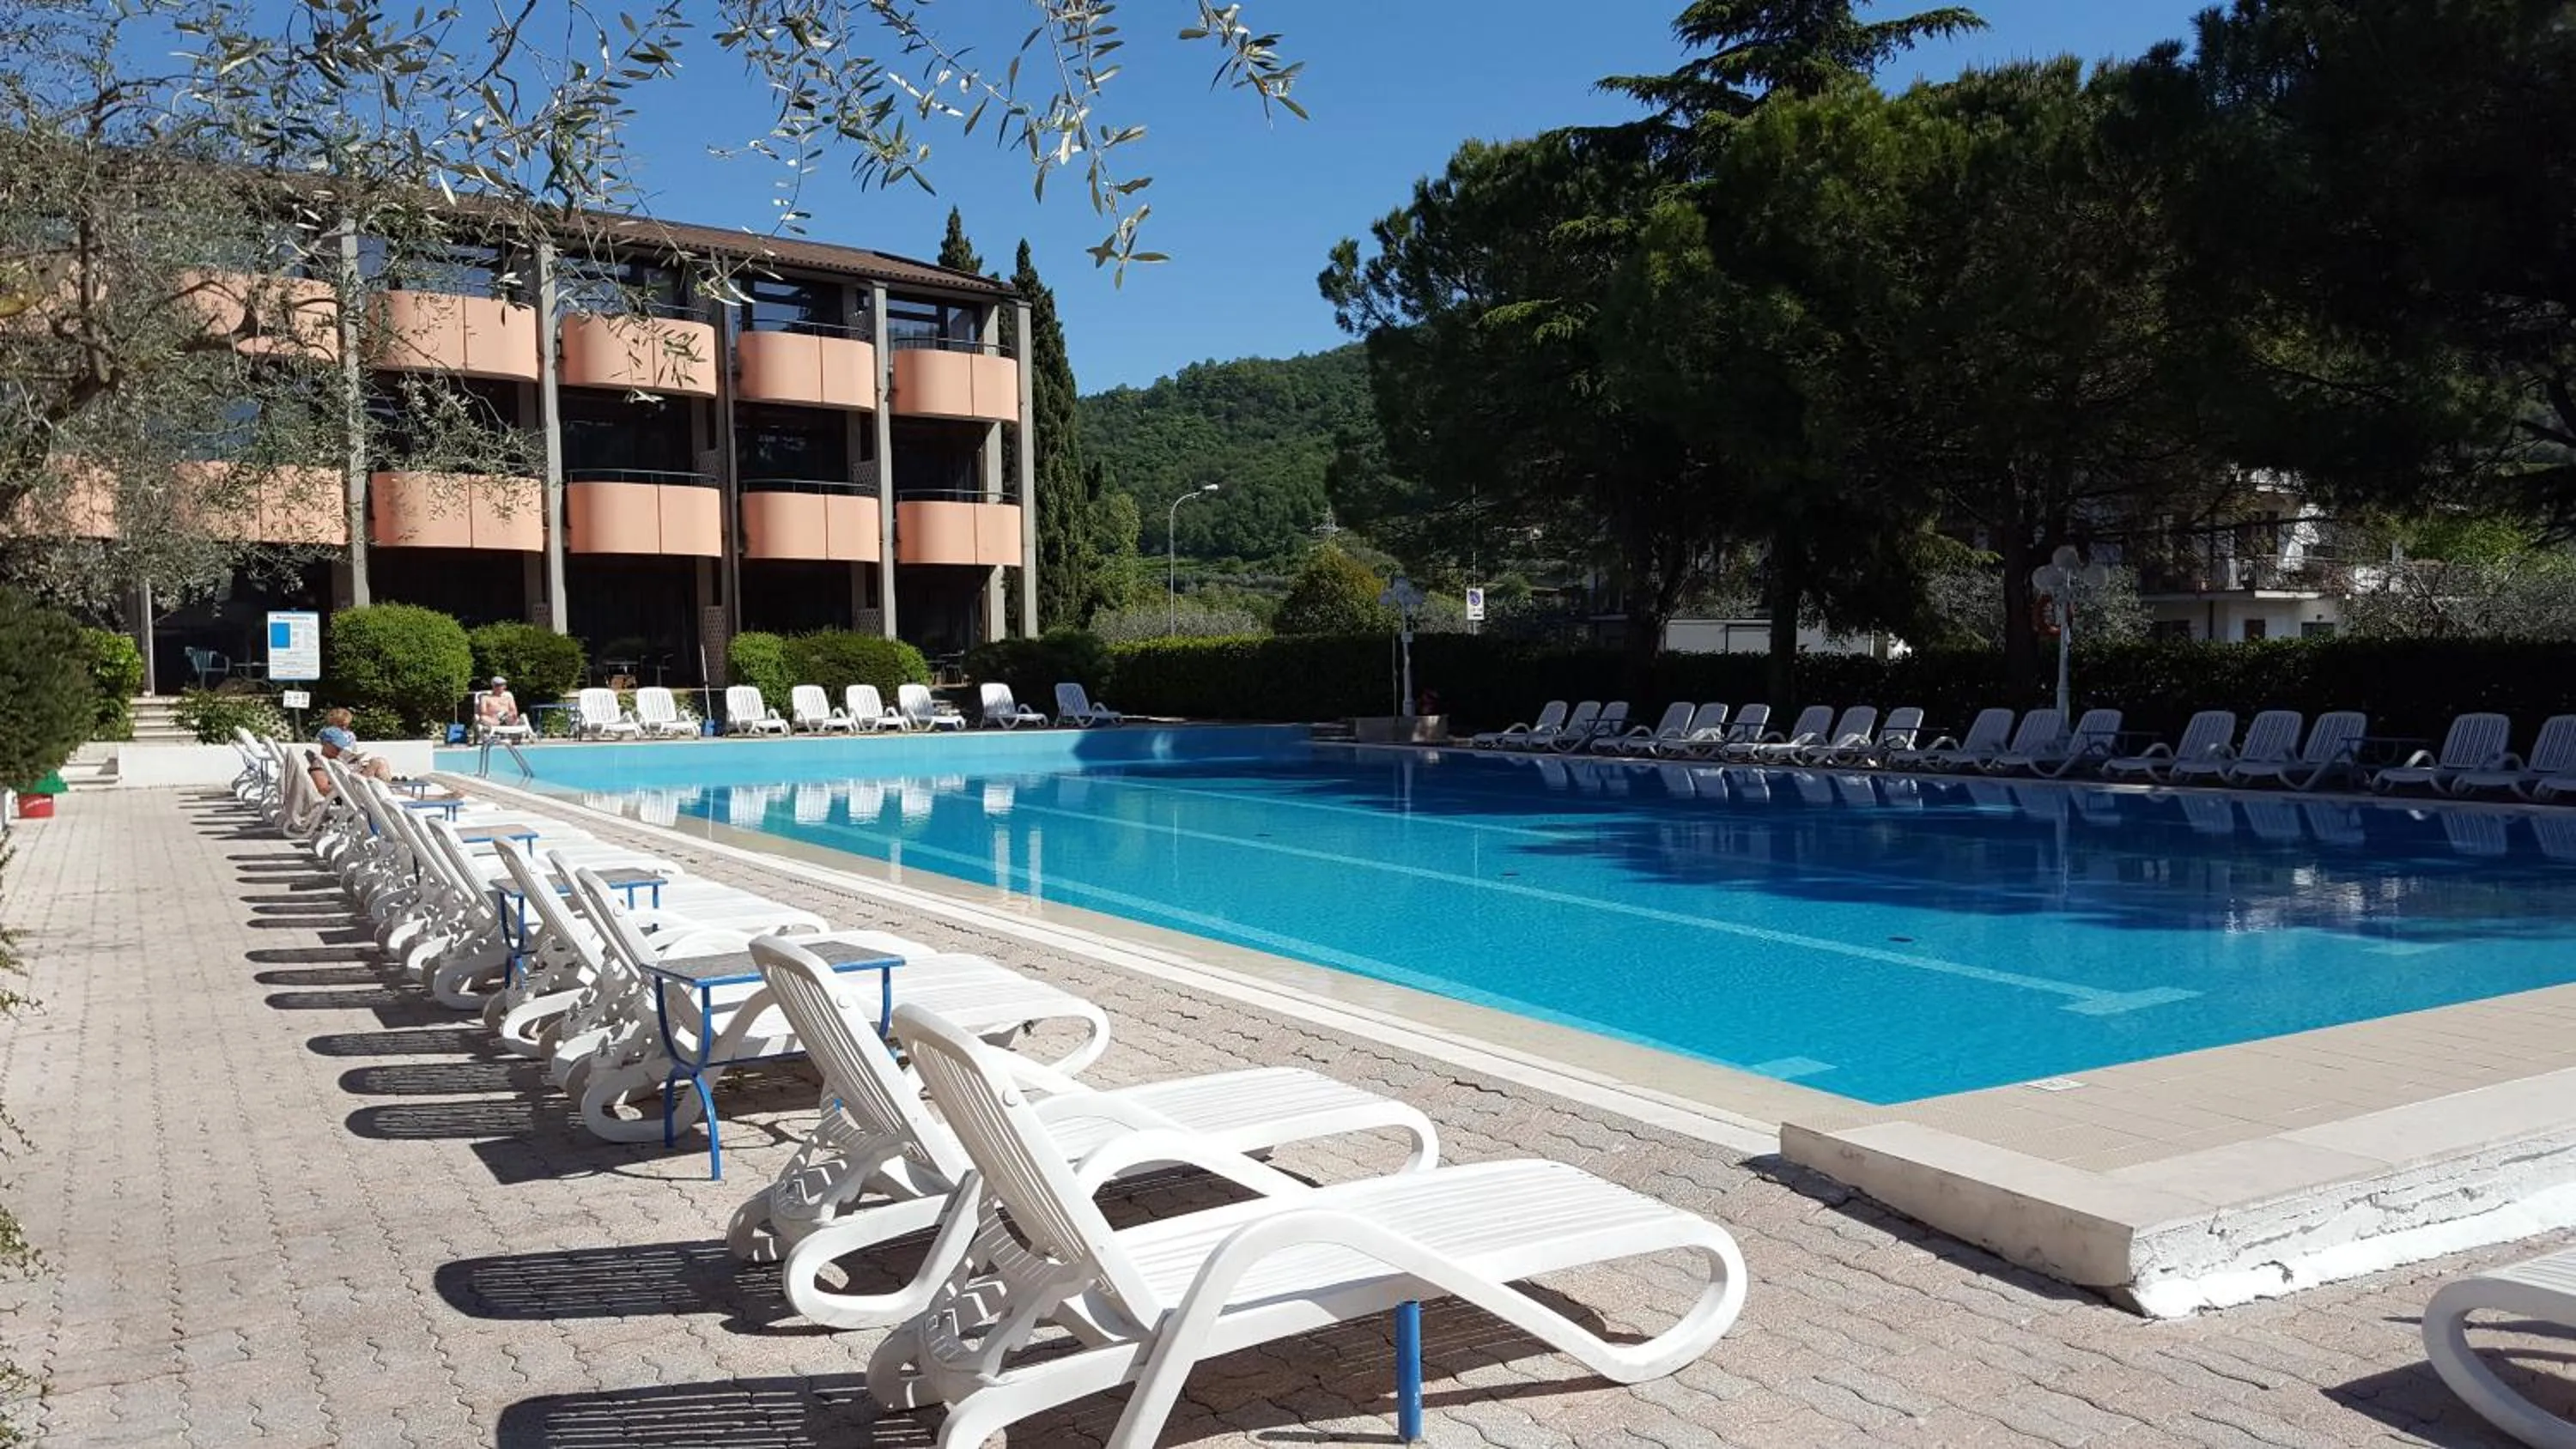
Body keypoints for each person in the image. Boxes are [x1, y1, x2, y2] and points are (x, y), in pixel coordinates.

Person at [476, 675, 528, 740]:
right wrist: (496, 715)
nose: (505, 687)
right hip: (492, 719)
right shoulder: (485, 698)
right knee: (483, 718)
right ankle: (502, 729)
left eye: (504, 685)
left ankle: (517, 735)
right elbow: (483, 712)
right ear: (495, 686)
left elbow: (514, 711)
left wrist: (508, 715)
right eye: (502, 685)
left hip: (507, 719)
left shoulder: (508, 698)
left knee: (517, 717)